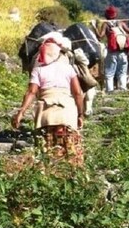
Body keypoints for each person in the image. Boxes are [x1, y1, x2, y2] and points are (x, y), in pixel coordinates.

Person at [11, 33, 85, 164]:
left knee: (46, 149)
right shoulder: (68, 68)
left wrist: (21, 112)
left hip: (45, 113)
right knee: (71, 150)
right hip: (66, 111)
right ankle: (73, 175)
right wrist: (80, 114)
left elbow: (31, 92)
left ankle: (48, 175)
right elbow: (78, 93)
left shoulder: (38, 70)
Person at [96, 5, 129, 92]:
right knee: (122, 73)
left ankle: (110, 91)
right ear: (115, 15)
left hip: (112, 53)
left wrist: (95, 26)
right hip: (123, 53)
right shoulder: (121, 23)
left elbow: (100, 37)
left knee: (109, 73)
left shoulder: (105, 24)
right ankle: (123, 89)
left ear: (106, 16)